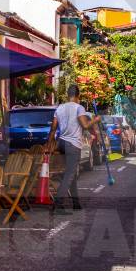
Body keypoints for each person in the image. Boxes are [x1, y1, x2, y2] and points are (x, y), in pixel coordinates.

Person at [44, 84, 100, 215]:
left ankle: (76, 203)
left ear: (67, 96)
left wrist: (48, 146)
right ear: (78, 96)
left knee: (72, 172)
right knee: (70, 174)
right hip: (73, 144)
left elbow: (53, 129)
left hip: (62, 143)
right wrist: (96, 120)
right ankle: (58, 205)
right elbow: (85, 125)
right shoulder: (79, 108)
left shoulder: (60, 108)